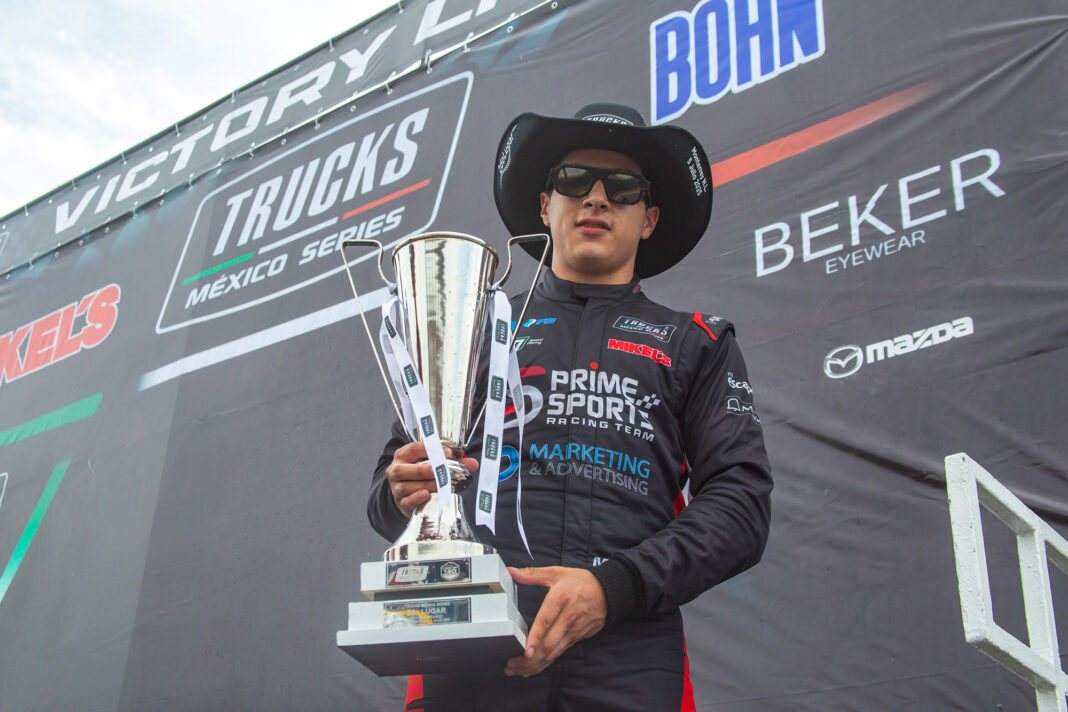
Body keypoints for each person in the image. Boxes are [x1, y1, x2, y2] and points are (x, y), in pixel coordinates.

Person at [368, 103, 773, 711]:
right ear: (544, 204)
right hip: (469, 649)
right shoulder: (474, 327)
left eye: (624, 187)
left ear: (649, 218)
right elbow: (387, 491)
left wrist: (614, 588)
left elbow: (741, 506)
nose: (597, 198)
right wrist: (401, 490)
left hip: (630, 658)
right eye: (574, 180)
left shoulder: (697, 342)